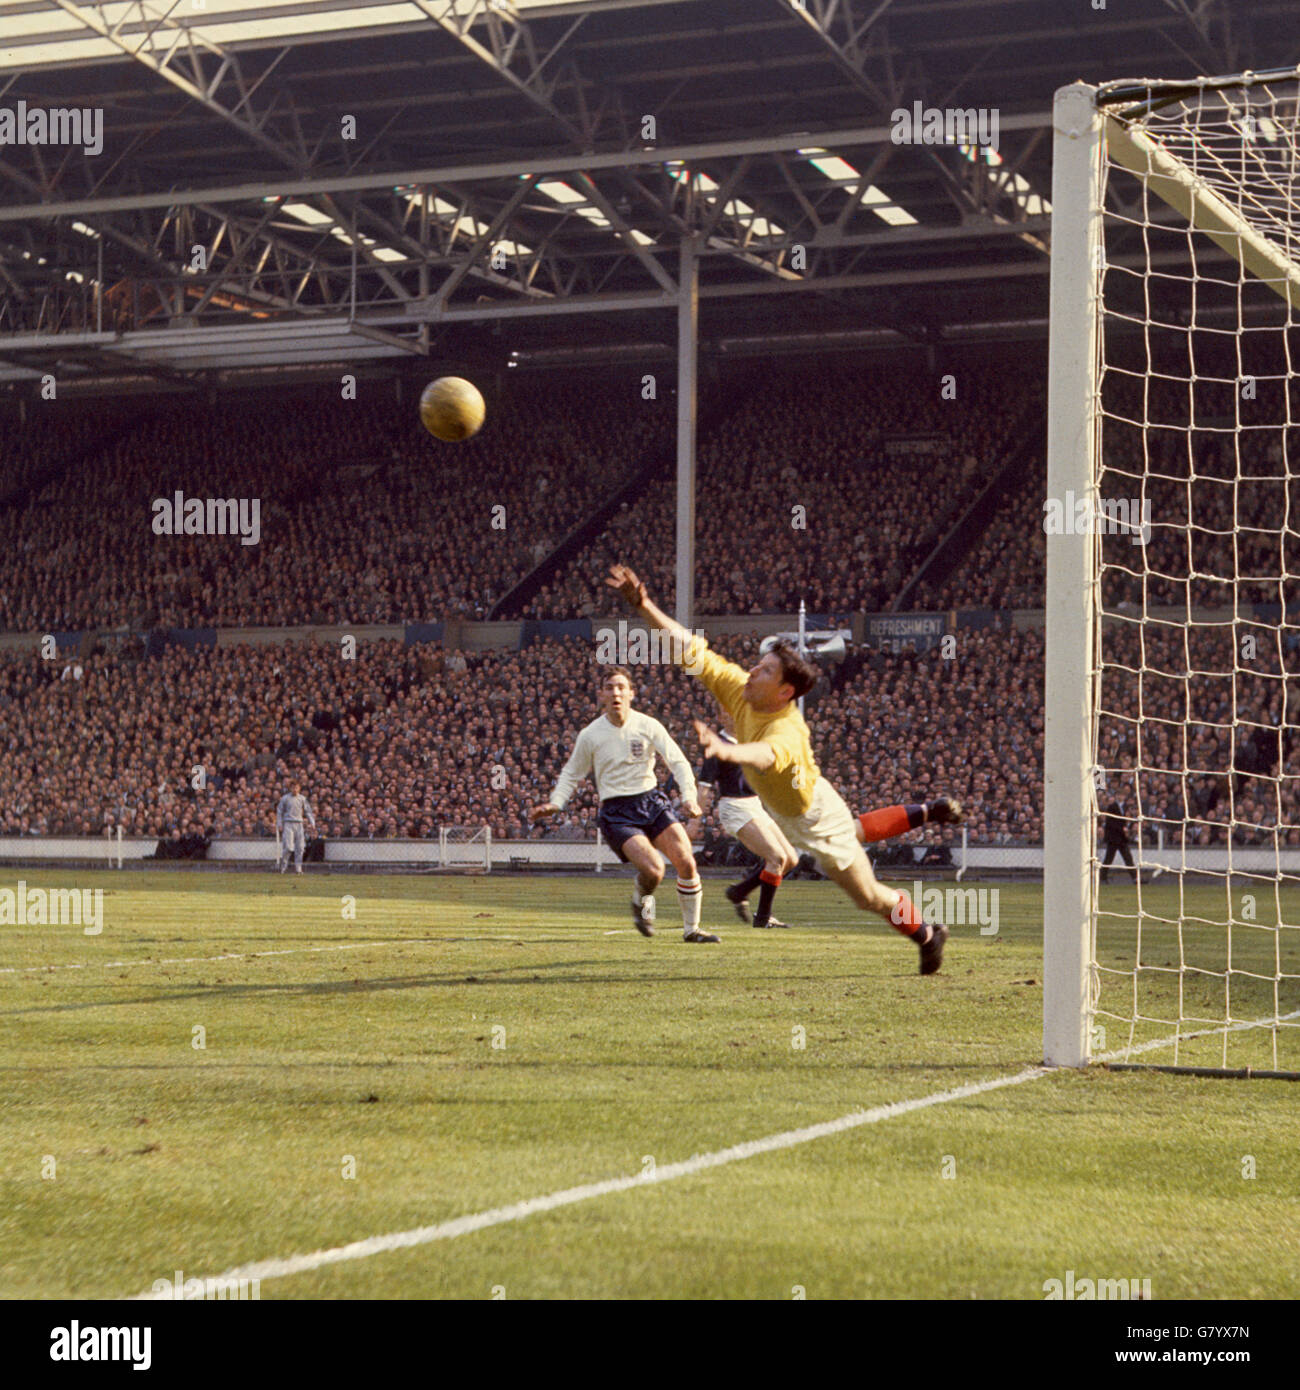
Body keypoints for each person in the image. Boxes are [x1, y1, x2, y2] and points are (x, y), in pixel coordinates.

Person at [606, 564, 950, 973]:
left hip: (815, 817)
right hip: (775, 811)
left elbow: (768, 756)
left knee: (868, 897)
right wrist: (645, 605)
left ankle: (927, 935)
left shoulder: (788, 728)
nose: (753, 670)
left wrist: (729, 752)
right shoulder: (740, 688)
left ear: (785, 691)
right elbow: (689, 649)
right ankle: (752, 899)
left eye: (765, 670)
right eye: (758, 663)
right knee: (798, 857)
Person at [530, 666, 718, 943]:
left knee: (686, 861)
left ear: (631, 693)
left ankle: (692, 930)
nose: (616, 692)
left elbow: (677, 761)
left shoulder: (649, 725)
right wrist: (556, 802)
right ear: (601, 695)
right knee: (654, 869)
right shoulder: (591, 734)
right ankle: (642, 901)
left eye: (621, 687)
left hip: (652, 801)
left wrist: (688, 798)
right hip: (618, 812)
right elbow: (572, 772)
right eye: (609, 687)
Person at [276, 780, 317, 875]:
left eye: (296, 787)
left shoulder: (302, 799)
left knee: (300, 847)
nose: (294, 789)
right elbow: (279, 812)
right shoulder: (285, 798)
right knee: (289, 847)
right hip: (288, 823)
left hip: (299, 824)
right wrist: (280, 824)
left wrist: (312, 823)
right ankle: (283, 866)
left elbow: (308, 811)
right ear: (290, 788)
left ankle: (298, 868)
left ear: (299, 788)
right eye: (293, 787)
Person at [1100, 798, 1135, 883]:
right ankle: (1103, 878)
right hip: (1113, 838)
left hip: (1121, 838)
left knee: (1128, 858)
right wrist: (1122, 828)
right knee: (1109, 859)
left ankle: (1135, 878)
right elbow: (1111, 822)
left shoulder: (1125, 807)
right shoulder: (1112, 807)